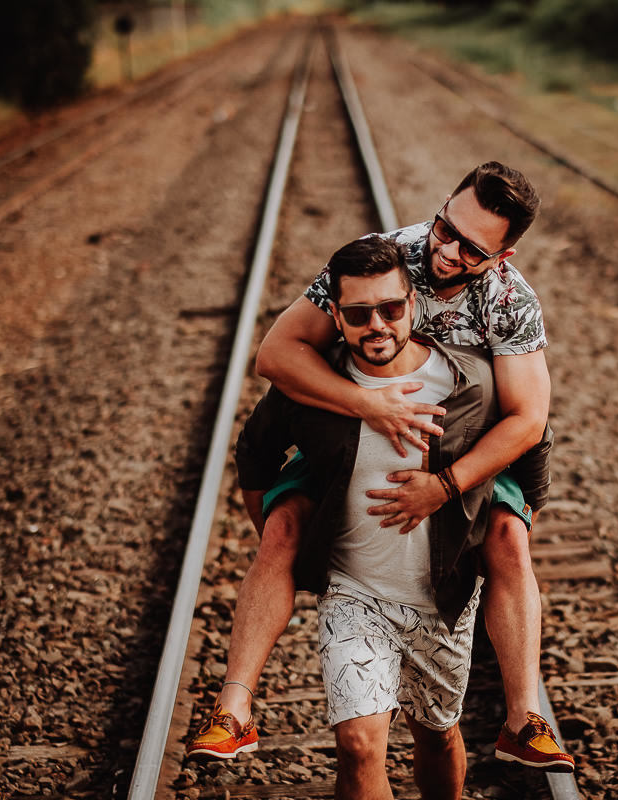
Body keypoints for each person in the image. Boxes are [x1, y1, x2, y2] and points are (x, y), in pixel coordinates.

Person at [187, 162, 573, 772]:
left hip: (462, 446)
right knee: (283, 525)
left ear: (503, 255)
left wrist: (445, 486)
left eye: (471, 249)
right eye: (446, 227)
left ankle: (524, 719)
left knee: (508, 535)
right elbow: (276, 352)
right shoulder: (386, 256)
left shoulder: (511, 301)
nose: (446, 251)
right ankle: (234, 707)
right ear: (444, 203)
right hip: (349, 431)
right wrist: (367, 403)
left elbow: (528, 420)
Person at [214, 236, 532, 798]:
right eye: (359, 314)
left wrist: (489, 512)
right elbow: (253, 452)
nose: (377, 325)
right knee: (358, 745)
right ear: (335, 316)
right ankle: (232, 707)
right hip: (353, 593)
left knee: (436, 735)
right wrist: (283, 542)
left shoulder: (470, 382)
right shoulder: (312, 386)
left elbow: (533, 445)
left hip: (443, 599)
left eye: (390, 309)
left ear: (413, 304)